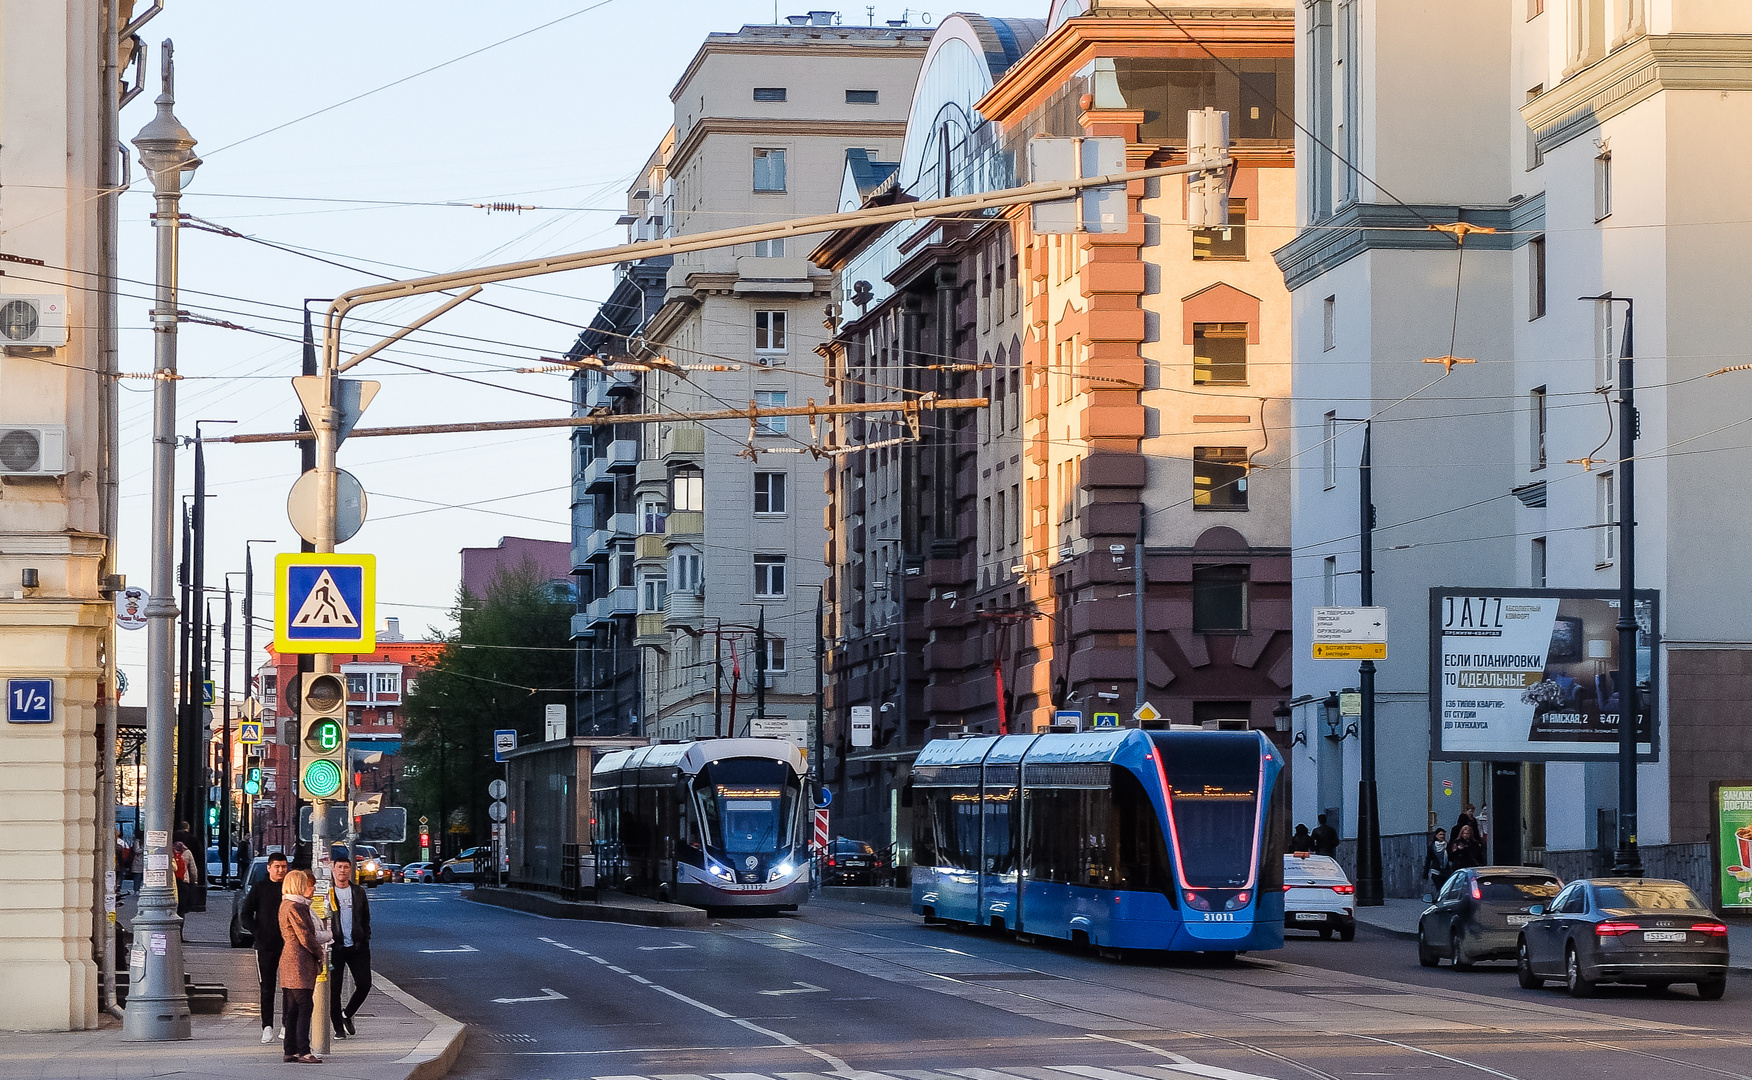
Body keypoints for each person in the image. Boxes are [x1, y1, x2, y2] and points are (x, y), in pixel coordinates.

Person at [278, 868, 329, 1064]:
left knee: (291, 1008)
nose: (310, 887)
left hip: (288, 959)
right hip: (299, 961)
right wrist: (319, 952)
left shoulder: (285, 904)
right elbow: (305, 936)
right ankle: (303, 1050)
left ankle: (289, 1049)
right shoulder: (297, 907)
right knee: (305, 1006)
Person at [240, 852, 289, 1044]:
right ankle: (267, 1026)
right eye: (277, 866)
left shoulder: (289, 888)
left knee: (289, 987)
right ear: (269, 868)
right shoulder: (259, 888)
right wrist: (257, 932)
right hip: (265, 946)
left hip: (288, 946)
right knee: (267, 988)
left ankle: (286, 1024)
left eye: (284, 867)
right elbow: (245, 914)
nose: (280, 870)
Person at [326, 857, 373, 1038]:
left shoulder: (358, 892)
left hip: (357, 947)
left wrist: (364, 938)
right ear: (333, 869)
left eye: (346, 867)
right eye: (339, 867)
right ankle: (338, 1028)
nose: (343, 871)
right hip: (335, 947)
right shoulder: (328, 892)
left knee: (364, 984)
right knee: (334, 989)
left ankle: (347, 1014)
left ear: (350, 870)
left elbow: (365, 918)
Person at [1423, 827, 1449, 897]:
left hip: (1446, 870)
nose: (1442, 836)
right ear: (1436, 835)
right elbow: (1428, 860)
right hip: (1435, 870)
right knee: (1439, 886)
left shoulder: (1447, 846)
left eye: (1443, 835)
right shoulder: (1432, 847)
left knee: (1445, 887)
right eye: (1440, 834)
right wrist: (1425, 874)